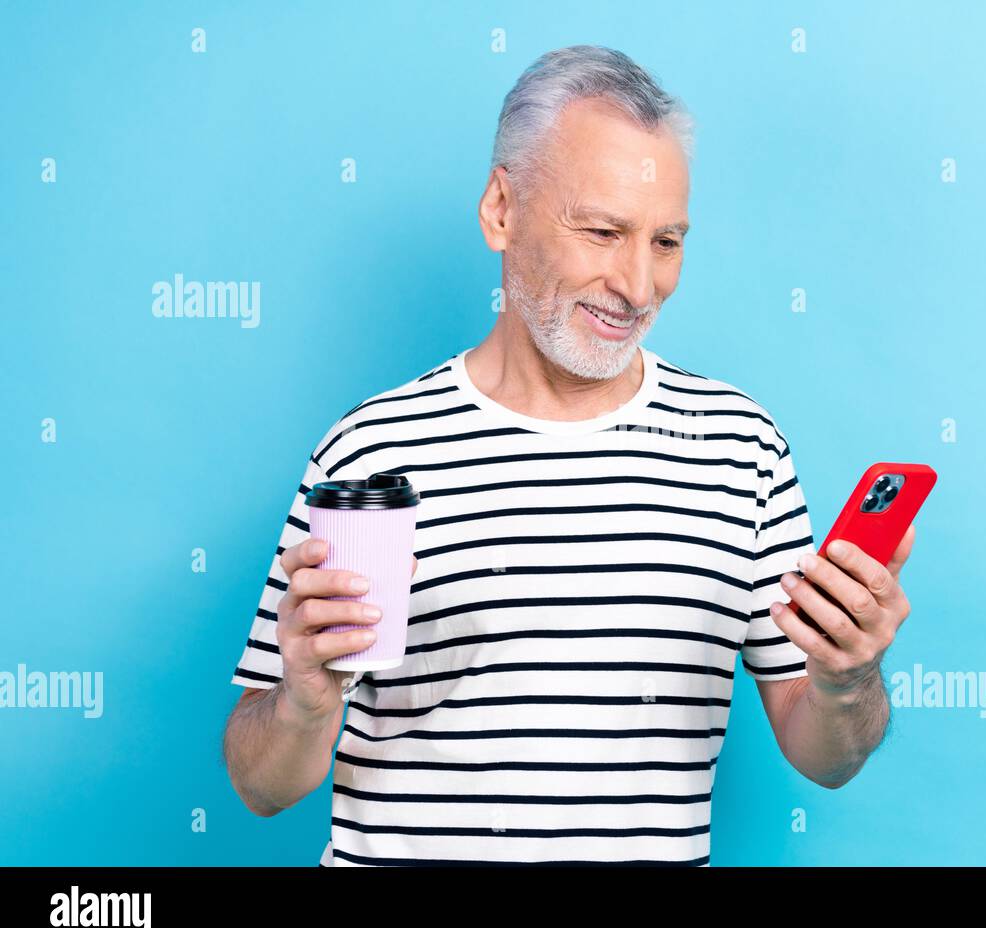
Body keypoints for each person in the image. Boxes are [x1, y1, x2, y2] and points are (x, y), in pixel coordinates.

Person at [222, 44, 913, 866]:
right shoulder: (372, 451)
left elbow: (825, 756)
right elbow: (261, 787)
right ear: (501, 210)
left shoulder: (741, 448)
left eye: (666, 241)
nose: (637, 284)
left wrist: (847, 680)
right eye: (602, 231)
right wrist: (304, 703)